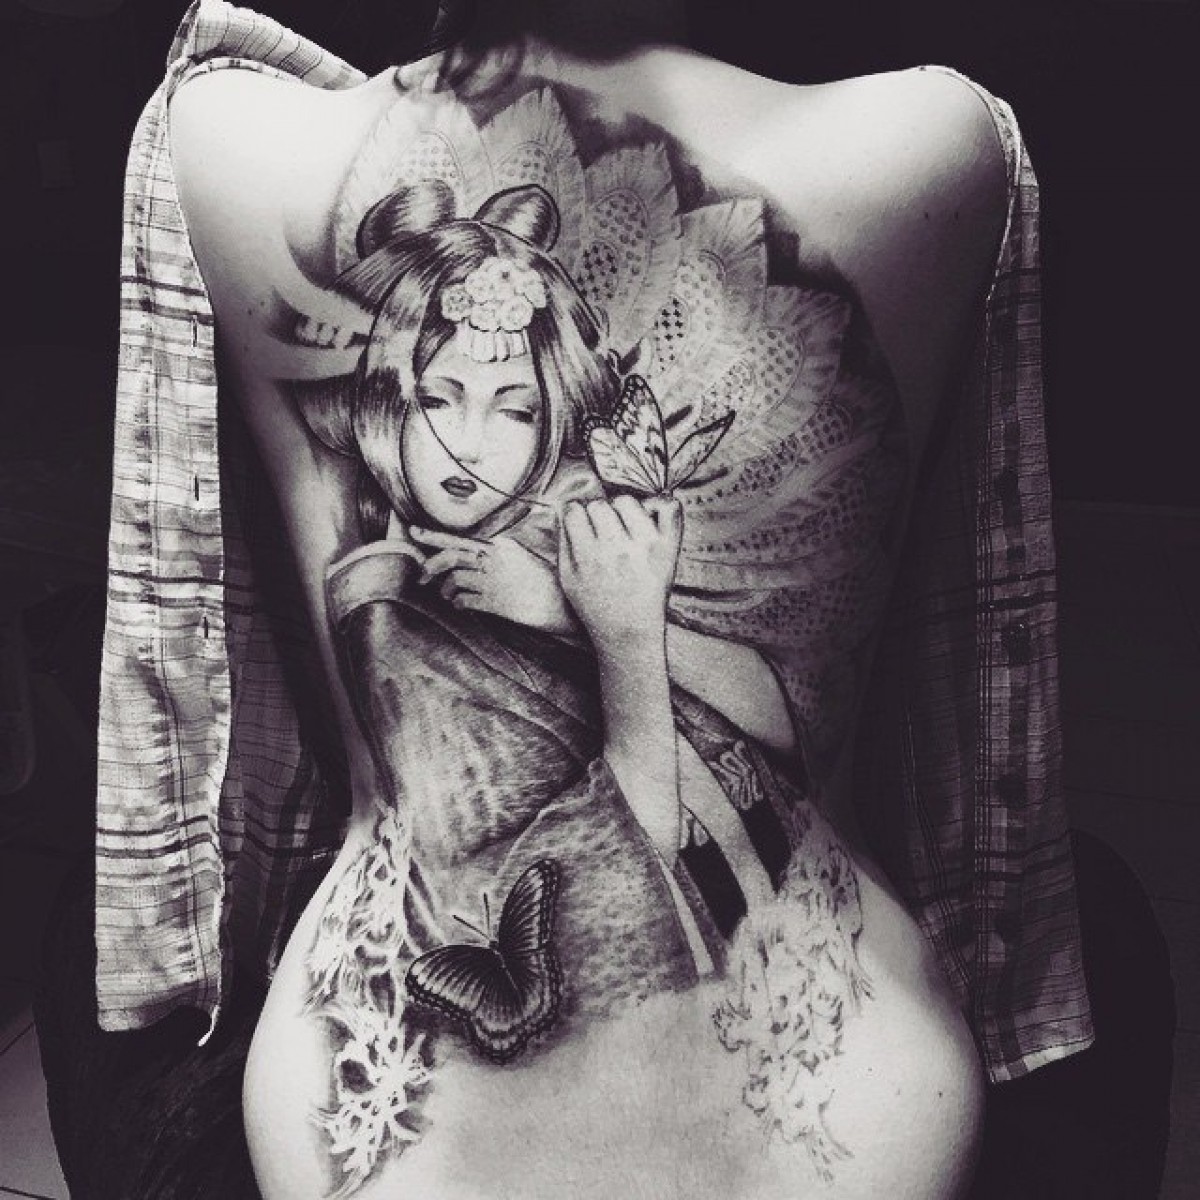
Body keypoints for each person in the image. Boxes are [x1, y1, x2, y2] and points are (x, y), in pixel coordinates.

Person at [66, 0, 1094, 1196]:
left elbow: (770, 724)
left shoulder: (233, 135)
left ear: (557, 417)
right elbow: (602, 853)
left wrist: (593, 612)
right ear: (389, 398)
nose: (469, 442)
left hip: (797, 1099)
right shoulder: (927, 144)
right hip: (469, 1093)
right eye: (439, 397)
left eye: (513, 408)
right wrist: (610, 629)